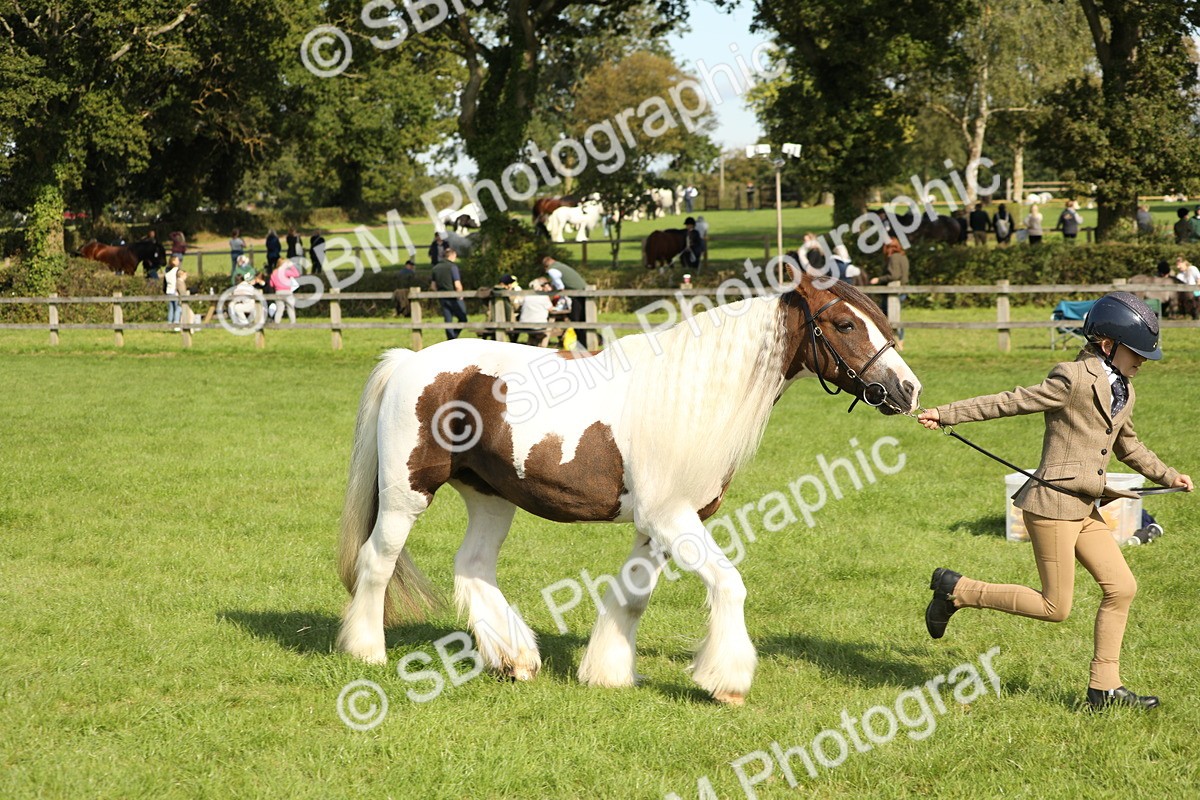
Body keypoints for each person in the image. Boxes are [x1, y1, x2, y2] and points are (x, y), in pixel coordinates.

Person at [919, 292, 1193, 711]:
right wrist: (946, 413)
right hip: (1052, 505)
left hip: (1085, 507)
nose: (1143, 361)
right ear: (1107, 345)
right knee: (1055, 606)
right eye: (1137, 353)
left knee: (1122, 588)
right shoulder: (1072, 377)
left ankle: (1104, 689)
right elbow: (1010, 401)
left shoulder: (1124, 389)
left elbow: (1129, 445)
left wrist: (1168, 474)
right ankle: (957, 590)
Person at [870, 237, 908, 350]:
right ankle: (898, 340)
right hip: (901, 290)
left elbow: (894, 275)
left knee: (889, 317)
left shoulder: (893, 257)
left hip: (893, 292)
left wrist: (878, 279)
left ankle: (896, 341)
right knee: (894, 317)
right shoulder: (903, 256)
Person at [431, 247, 469, 339]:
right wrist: (460, 295)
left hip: (442, 298)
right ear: (452, 255)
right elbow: (457, 285)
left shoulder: (435, 268)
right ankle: (453, 338)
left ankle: (450, 339)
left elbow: (433, 286)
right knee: (463, 318)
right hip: (454, 297)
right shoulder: (452, 267)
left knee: (448, 321)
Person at [542, 255, 587, 324]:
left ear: (545, 266)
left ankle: (581, 330)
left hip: (577, 294)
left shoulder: (552, 270)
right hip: (582, 290)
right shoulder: (560, 266)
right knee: (582, 316)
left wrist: (552, 290)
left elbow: (560, 286)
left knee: (576, 318)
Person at [515, 276, 555, 346]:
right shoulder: (544, 297)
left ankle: (531, 343)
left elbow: (519, 302)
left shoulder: (526, 295)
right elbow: (551, 309)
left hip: (523, 325)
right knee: (548, 326)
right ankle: (542, 346)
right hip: (538, 326)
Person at [270, 259, 300, 323]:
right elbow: (296, 274)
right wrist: (292, 266)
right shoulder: (285, 272)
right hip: (287, 292)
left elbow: (271, 284)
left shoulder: (274, 272)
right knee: (290, 308)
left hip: (278, 292)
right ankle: (293, 323)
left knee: (279, 309)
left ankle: (277, 323)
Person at [164, 256, 182, 329]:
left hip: (169, 291)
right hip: (175, 291)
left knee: (171, 309)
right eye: (177, 260)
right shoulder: (177, 270)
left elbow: (165, 283)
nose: (179, 261)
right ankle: (176, 323)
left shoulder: (167, 271)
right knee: (178, 308)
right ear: (173, 262)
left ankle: (169, 323)